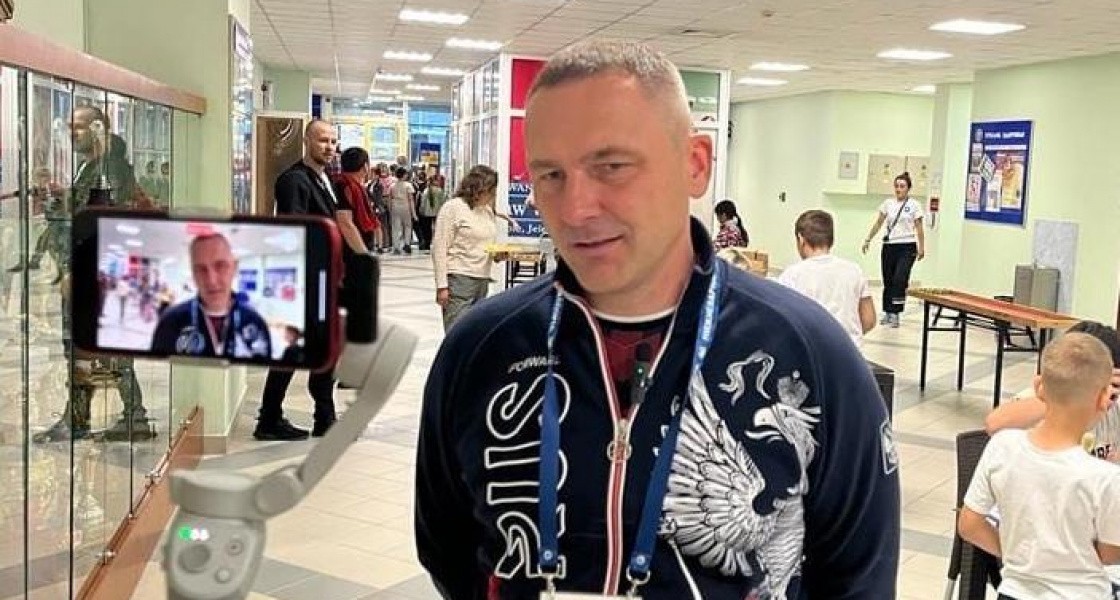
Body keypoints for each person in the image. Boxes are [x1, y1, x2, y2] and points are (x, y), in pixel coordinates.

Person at [415, 41, 899, 599]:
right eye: (550, 175)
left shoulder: (810, 353)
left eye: (612, 167)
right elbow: (449, 549)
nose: (576, 208)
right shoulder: (482, 348)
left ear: (695, 164)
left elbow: (859, 577)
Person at [959, 332, 1120, 599]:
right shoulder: (1106, 477)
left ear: (1038, 386)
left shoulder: (1002, 446)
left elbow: (969, 524)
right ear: (1104, 397)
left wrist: (1019, 555)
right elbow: (1112, 551)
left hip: (1014, 590)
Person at [35, 104, 153, 443]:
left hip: (97, 275)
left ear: (99, 128)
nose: (73, 133)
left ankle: (130, 416)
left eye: (80, 126)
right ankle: (85, 417)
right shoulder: (92, 167)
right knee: (81, 347)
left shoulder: (110, 169)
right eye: (71, 126)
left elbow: (103, 224)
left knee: (100, 348)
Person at [255, 119, 339, 441]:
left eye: (333, 141)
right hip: (302, 281)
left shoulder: (322, 179)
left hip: (321, 278)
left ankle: (321, 415)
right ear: (307, 141)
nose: (329, 147)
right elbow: (294, 231)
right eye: (322, 140)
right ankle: (273, 417)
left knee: (319, 348)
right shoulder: (294, 180)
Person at [986, 321, 1120, 461]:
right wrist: (1067, 397)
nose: (1107, 396)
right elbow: (994, 424)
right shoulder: (1042, 397)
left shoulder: (1113, 407)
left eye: (1115, 386)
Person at [150, 233, 272, 358]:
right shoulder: (170, 323)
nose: (211, 280)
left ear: (234, 268)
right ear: (193, 274)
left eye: (220, 266)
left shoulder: (255, 323)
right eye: (201, 269)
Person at [777, 210, 876, 346]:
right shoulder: (854, 270)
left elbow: (783, 322)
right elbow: (869, 320)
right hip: (851, 351)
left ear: (800, 239)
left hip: (814, 352)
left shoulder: (792, 275)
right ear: (831, 239)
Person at [430, 165, 503, 331]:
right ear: (478, 188)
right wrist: (442, 285)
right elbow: (439, 248)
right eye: (490, 190)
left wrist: (497, 255)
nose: (493, 195)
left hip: (482, 279)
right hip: (459, 279)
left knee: (473, 332)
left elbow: (484, 243)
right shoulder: (453, 208)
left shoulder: (486, 210)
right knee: (456, 330)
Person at [860, 172, 925, 328]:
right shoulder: (888, 204)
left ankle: (896, 312)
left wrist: (922, 247)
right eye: (896, 186)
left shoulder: (914, 205)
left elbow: (919, 227)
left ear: (908, 188)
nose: (898, 189)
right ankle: (888, 311)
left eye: (902, 186)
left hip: (907, 246)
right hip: (890, 246)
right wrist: (868, 239)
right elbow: (878, 223)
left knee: (899, 279)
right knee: (888, 280)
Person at [331, 146, 376, 257]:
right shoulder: (345, 186)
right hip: (352, 251)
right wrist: (364, 255)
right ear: (365, 166)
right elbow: (345, 222)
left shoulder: (350, 185)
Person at [416, 169, 447, 252]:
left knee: (427, 229)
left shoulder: (426, 191)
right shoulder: (440, 191)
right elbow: (443, 202)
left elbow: (423, 203)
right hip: (438, 212)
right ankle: (438, 244)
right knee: (438, 228)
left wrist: (421, 211)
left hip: (427, 213)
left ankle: (427, 244)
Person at [389, 166, 417, 254]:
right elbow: (411, 200)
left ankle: (396, 247)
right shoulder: (408, 185)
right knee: (408, 226)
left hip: (395, 207)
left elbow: (390, 199)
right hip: (406, 207)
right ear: (404, 175)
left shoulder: (392, 186)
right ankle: (407, 244)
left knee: (396, 227)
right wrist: (414, 213)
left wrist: (390, 209)